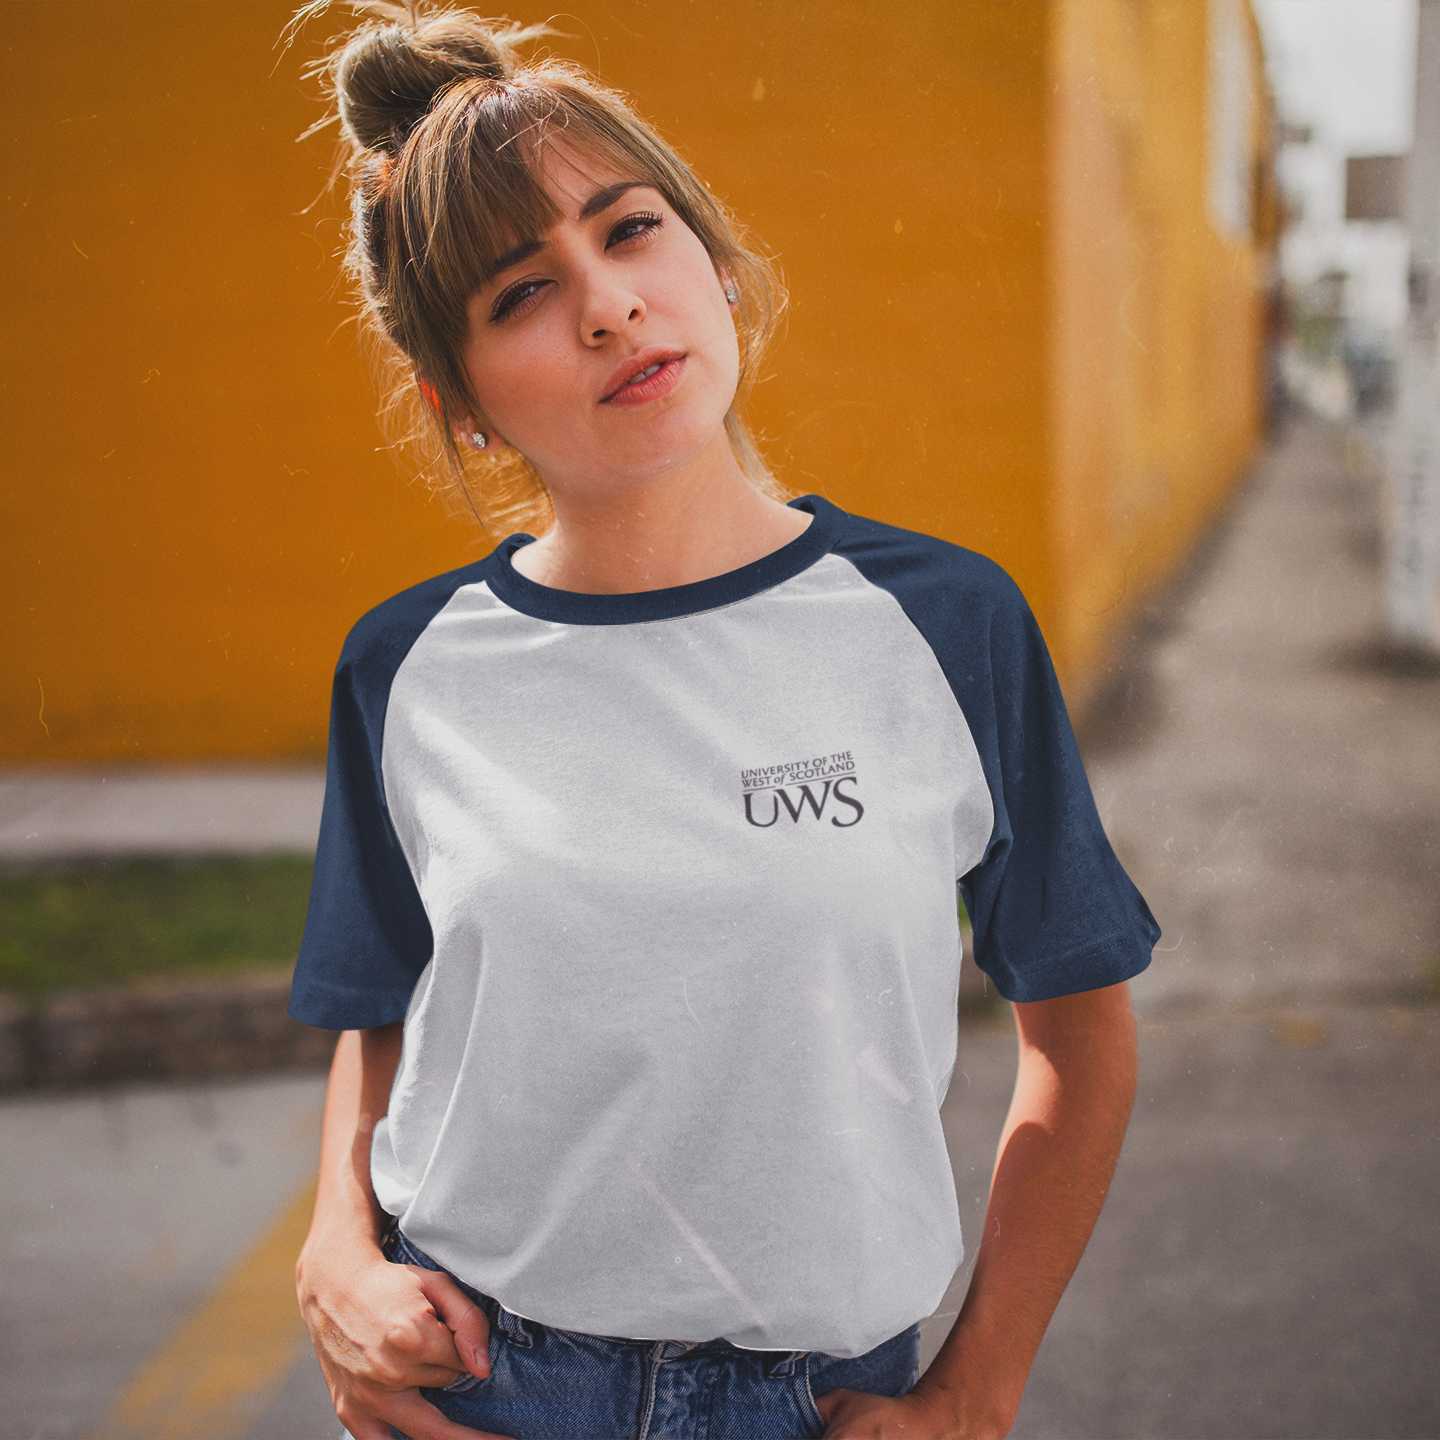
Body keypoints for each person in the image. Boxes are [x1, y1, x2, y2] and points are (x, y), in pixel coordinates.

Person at [287, 5, 1159, 1438]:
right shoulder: (407, 668)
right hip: (488, 1385)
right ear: (463, 406)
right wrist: (334, 1245)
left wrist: (977, 1390)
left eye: (631, 230)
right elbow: (381, 1007)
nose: (608, 307)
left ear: (717, 261)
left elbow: (1080, 1026)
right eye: (521, 294)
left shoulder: (947, 625)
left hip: (827, 1395)